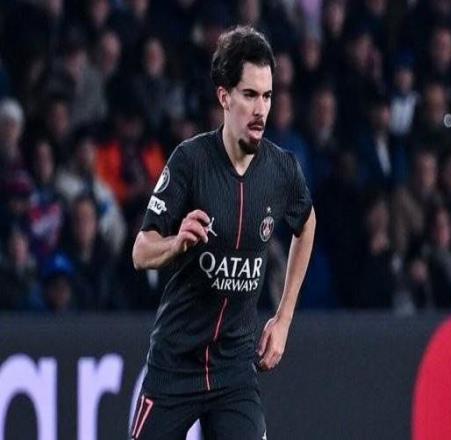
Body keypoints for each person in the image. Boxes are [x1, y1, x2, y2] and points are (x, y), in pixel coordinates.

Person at [130, 26, 315, 440]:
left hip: (235, 369)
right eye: (249, 95)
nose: (261, 109)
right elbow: (141, 251)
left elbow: (307, 224)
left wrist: (284, 318)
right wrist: (175, 243)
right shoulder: (189, 162)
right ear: (224, 96)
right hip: (176, 364)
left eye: (267, 96)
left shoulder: (282, 170)